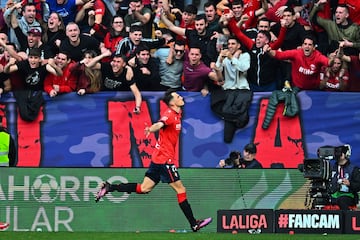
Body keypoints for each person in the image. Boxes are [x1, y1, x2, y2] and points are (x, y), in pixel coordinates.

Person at [95, 89, 213, 232]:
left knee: (144, 188)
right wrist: (151, 129)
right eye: (177, 96)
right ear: (172, 102)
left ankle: (110, 187)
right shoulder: (169, 114)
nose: (181, 97)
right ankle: (194, 223)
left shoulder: (178, 113)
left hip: (157, 159)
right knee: (181, 189)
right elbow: (160, 124)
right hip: (164, 160)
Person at [265, 35, 329, 90]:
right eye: (305, 44)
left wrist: (339, 52)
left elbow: (328, 63)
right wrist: (268, 51)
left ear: (314, 47)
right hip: (297, 89)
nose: (307, 46)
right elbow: (279, 55)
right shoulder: (296, 53)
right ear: (302, 46)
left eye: (310, 45)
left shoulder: (318, 56)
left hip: (313, 90)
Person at [329, 144, 360, 210]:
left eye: (339, 152)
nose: (337, 154)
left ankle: (346, 219)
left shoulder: (353, 169)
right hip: (333, 195)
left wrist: (350, 183)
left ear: (345, 154)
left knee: (342, 200)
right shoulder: (332, 168)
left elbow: (358, 186)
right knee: (321, 200)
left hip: (348, 195)